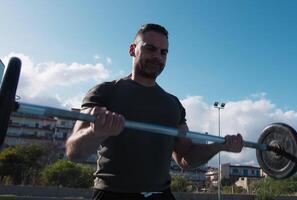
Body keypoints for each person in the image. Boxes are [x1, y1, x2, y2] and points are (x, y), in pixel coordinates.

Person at [66, 23, 243, 200]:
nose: (157, 57)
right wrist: (95, 132)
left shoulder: (173, 104)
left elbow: (185, 159)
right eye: (150, 49)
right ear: (132, 49)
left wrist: (220, 146)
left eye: (163, 52)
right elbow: (74, 152)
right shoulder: (104, 92)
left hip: (161, 196)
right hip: (112, 194)